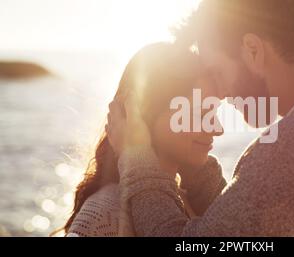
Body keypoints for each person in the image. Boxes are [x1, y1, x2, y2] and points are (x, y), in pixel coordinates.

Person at [106, 0, 294, 236]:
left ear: (253, 49)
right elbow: (255, 226)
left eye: (218, 72)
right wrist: (194, 166)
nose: (219, 93)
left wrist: (136, 155)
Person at [64, 43, 225, 236]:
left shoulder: (187, 203)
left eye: (214, 112)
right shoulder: (102, 217)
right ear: (141, 113)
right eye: (200, 113)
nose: (218, 128)